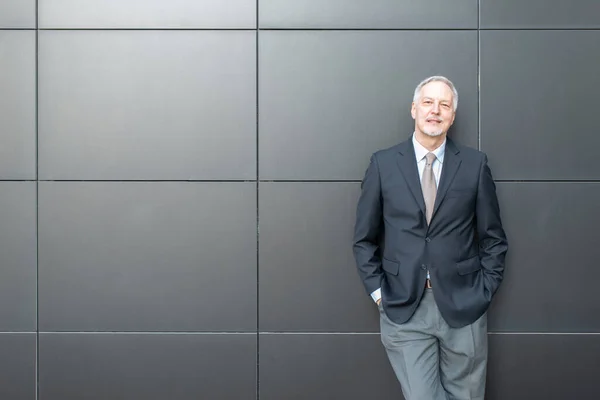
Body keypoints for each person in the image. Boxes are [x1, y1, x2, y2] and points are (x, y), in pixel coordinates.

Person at [353, 75, 508, 400]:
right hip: (403, 304)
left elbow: (493, 238)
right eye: (428, 102)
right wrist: (380, 294)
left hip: (464, 303)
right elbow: (364, 239)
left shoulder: (474, 165)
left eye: (444, 104)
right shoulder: (383, 164)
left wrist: (484, 291)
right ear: (414, 109)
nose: (435, 110)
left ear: (452, 115)